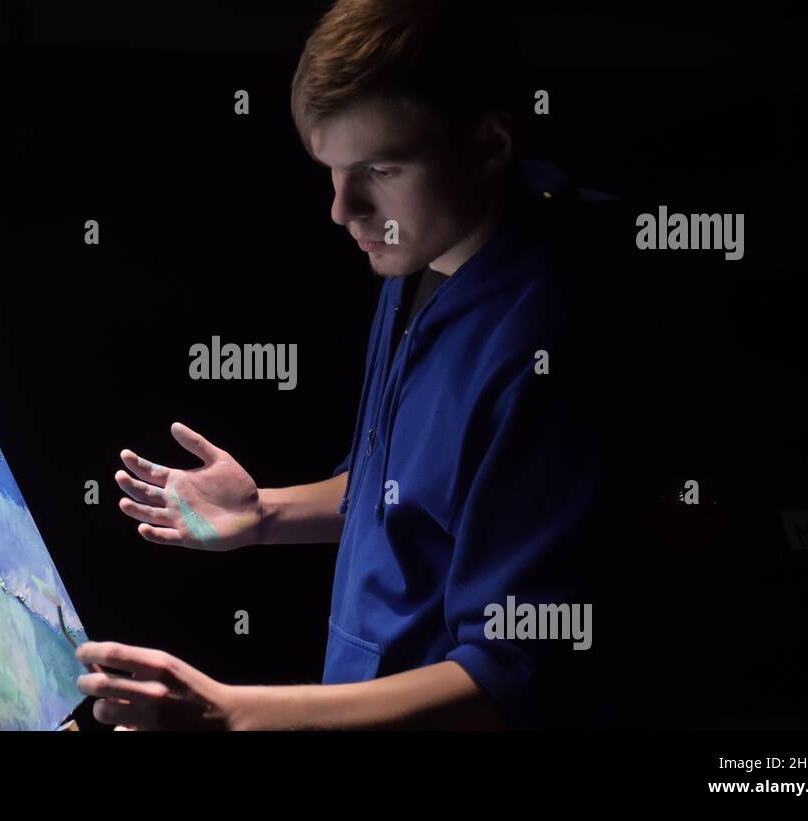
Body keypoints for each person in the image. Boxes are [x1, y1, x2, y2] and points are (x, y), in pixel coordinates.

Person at [76, 0, 644, 730]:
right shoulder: (418, 257)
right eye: (333, 171)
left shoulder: (548, 348)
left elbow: (504, 682)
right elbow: (397, 492)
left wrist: (229, 715)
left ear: (489, 145)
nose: (343, 210)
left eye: (379, 167)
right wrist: (264, 514)